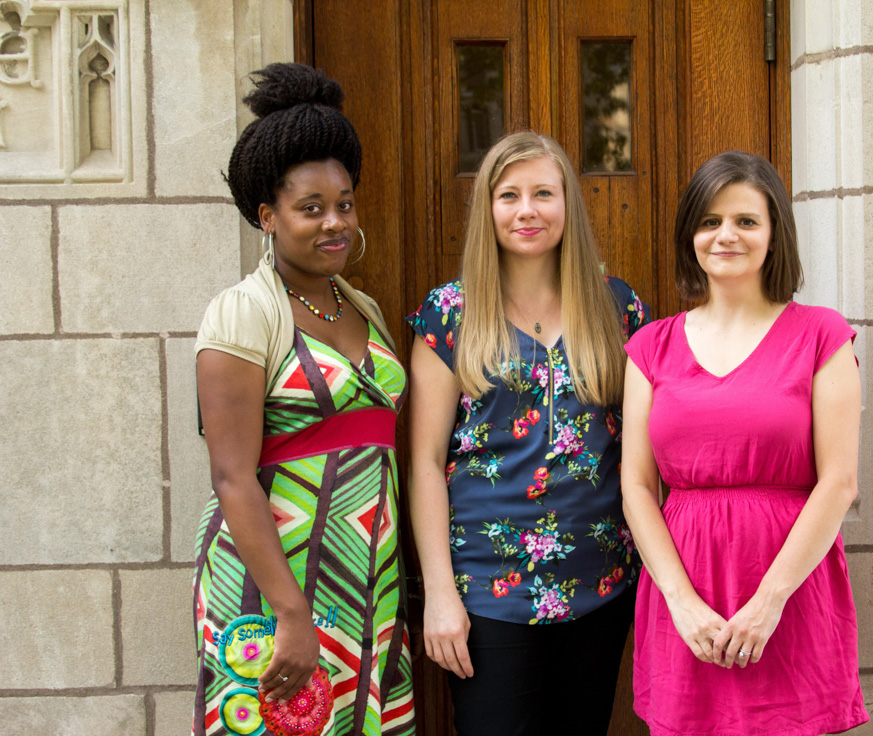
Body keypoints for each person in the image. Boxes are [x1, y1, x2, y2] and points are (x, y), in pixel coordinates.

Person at [191, 63, 415, 736]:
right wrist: (289, 612)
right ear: (268, 215)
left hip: (365, 580)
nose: (334, 223)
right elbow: (232, 476)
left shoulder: (365, 308)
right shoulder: (242, 313)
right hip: (274, 582)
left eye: (343, 204)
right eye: (310, 209)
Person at [405, 131, 650, 736]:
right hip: (488, 591)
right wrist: (439, 592)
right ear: (488, 208)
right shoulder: (450, 314)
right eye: (508, 194)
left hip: (602, 584)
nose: (527, 210)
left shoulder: (617, 309)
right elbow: (425, 463)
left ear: (568, 203)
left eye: (544, 192)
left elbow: (644, 450)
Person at [621, 151, 870, 735]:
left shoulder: (821, 335)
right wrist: (682, 604)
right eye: (709, 222)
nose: (725, 235)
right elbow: (636, 486)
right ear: (690, 236)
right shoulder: (651, 347)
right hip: (685, 591)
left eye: (745, 221)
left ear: (774, 234)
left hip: (789, 589)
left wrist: (768, 602)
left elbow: (839, 482)